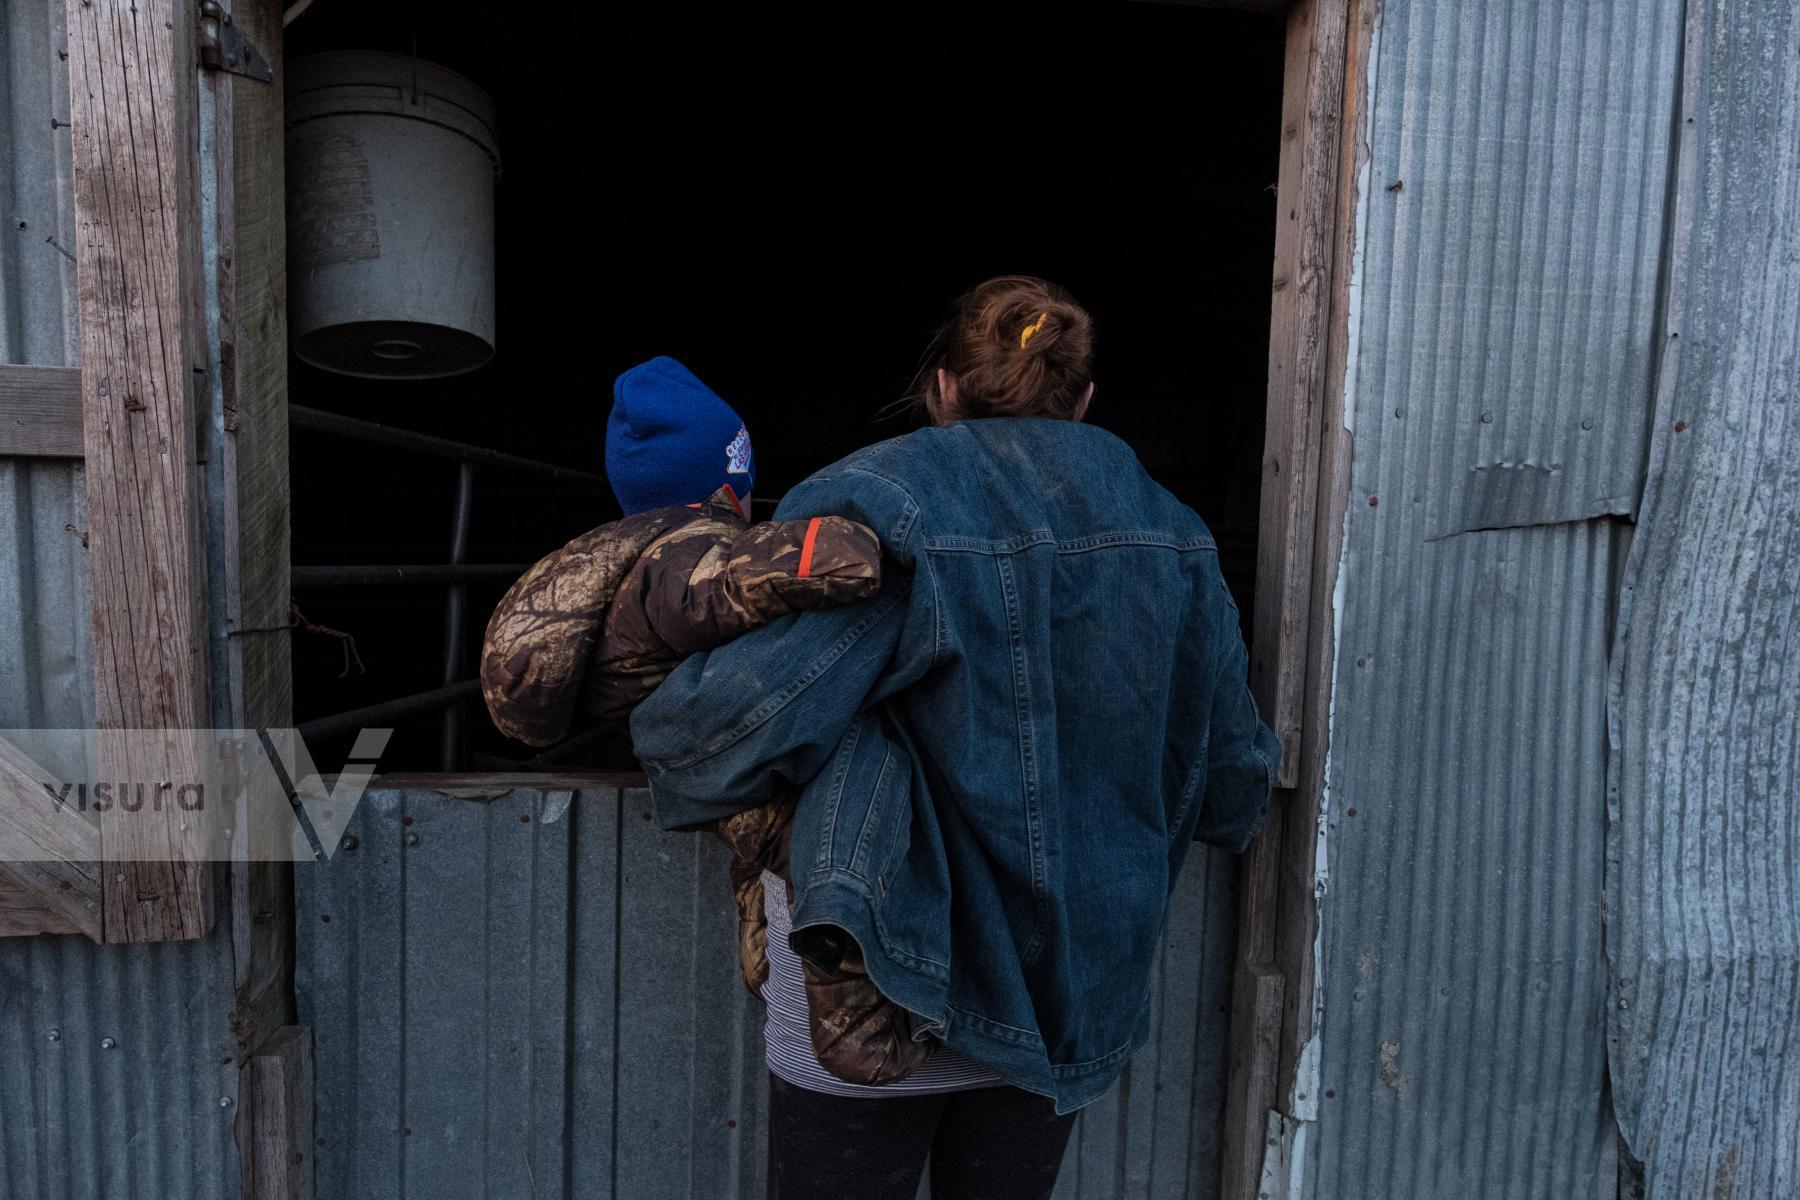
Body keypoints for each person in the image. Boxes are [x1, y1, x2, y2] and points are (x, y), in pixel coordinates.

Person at [631, 276, 1280, 1200]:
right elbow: (1231, 788)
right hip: (1068, 998)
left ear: (942, 387)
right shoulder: (1178, 538)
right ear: (1083, 398)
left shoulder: (878, 506)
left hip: (884, 983)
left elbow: (718, 738)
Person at [479, 356, 883, 1015]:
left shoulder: (650, 559)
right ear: (727, 483)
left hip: (725, 782)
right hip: (736, 777)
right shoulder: (684, 560)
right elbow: (822, 567)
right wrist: (859, 539)